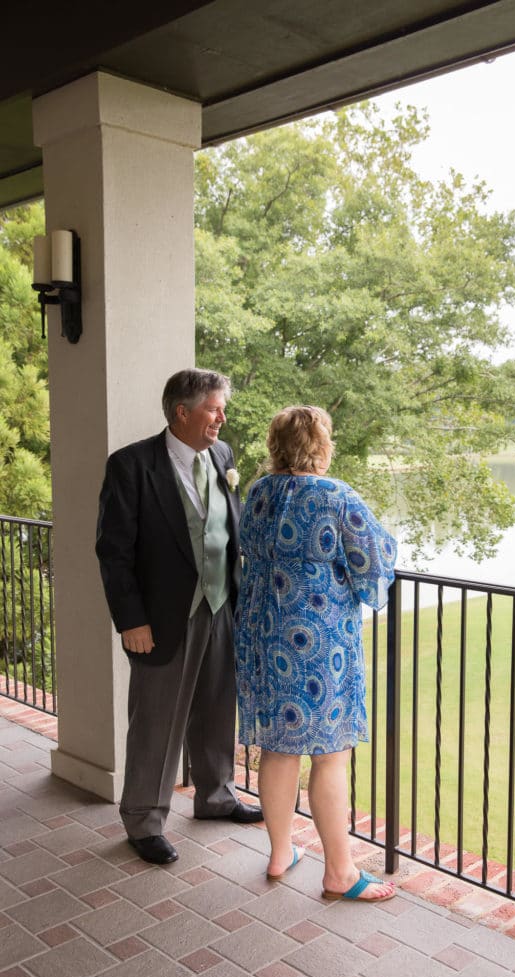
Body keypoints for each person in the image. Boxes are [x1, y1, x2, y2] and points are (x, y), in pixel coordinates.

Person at [95, 368, 263, 865]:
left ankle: (215, 796)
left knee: (216, 707)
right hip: (162, 617)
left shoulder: (223, 456)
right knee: (156, 720)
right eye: (214, 408)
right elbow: (113, 550)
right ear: (182, 413)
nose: (222, 417)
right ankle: (144, 819)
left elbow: (225, 530)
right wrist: (131, 620)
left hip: (219, 604)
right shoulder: (131, 465)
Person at [235, 405, 397, 901]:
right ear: (322, 445)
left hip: (266, 635)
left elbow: (246, 546)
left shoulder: (258, 493)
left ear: (276, 444)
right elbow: (374, 559)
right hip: (320, 644)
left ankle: (281, 853)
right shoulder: (336, 495)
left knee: (280, 749)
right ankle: (340, 873)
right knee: (330, 755)